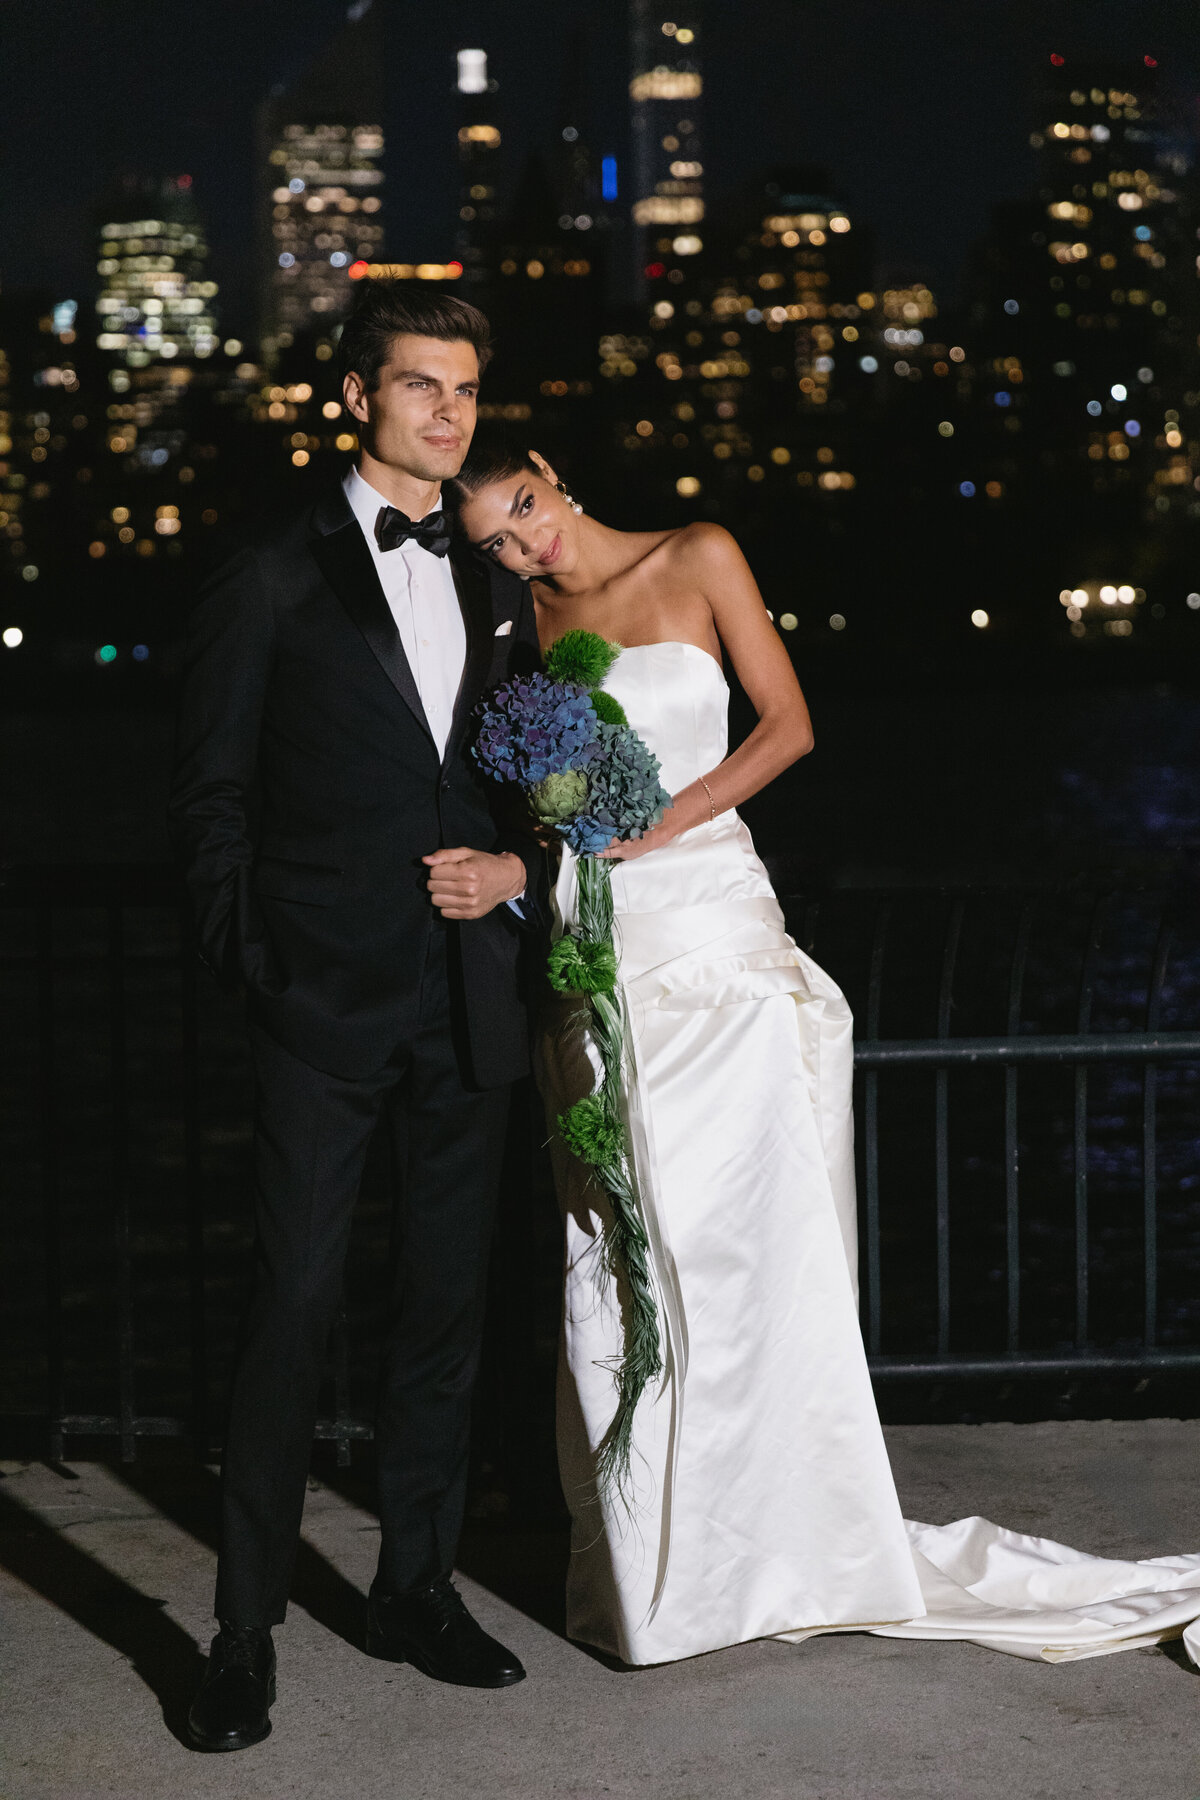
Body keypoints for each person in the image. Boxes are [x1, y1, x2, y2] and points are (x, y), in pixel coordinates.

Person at [448, 434, 1200, 1670]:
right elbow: (538, 802)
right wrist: (555, 844)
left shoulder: (700, 554)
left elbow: (789, 726)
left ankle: (777, 1546)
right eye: (498, 541)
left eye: (525, 511)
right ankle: (666, 1576)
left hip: (711, 930)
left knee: (748, 1245)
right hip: (599, 951)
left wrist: (659, 823)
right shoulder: (521, 627)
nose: (528, 546)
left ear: (549, 469)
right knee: (625, 1252)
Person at [169, 287, 542, 1753]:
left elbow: (538, 783)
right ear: (354, 397)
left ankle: (415, 1591)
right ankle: (243, 1633)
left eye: (463, 390)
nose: (447, 413)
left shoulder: (501, 578)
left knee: (443, 1314)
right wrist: (259, 974)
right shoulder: (268, 572)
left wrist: (525, 870)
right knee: (291, 1310)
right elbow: (209, 804)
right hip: (318, 1010)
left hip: (469, 1009)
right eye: (417, 387)